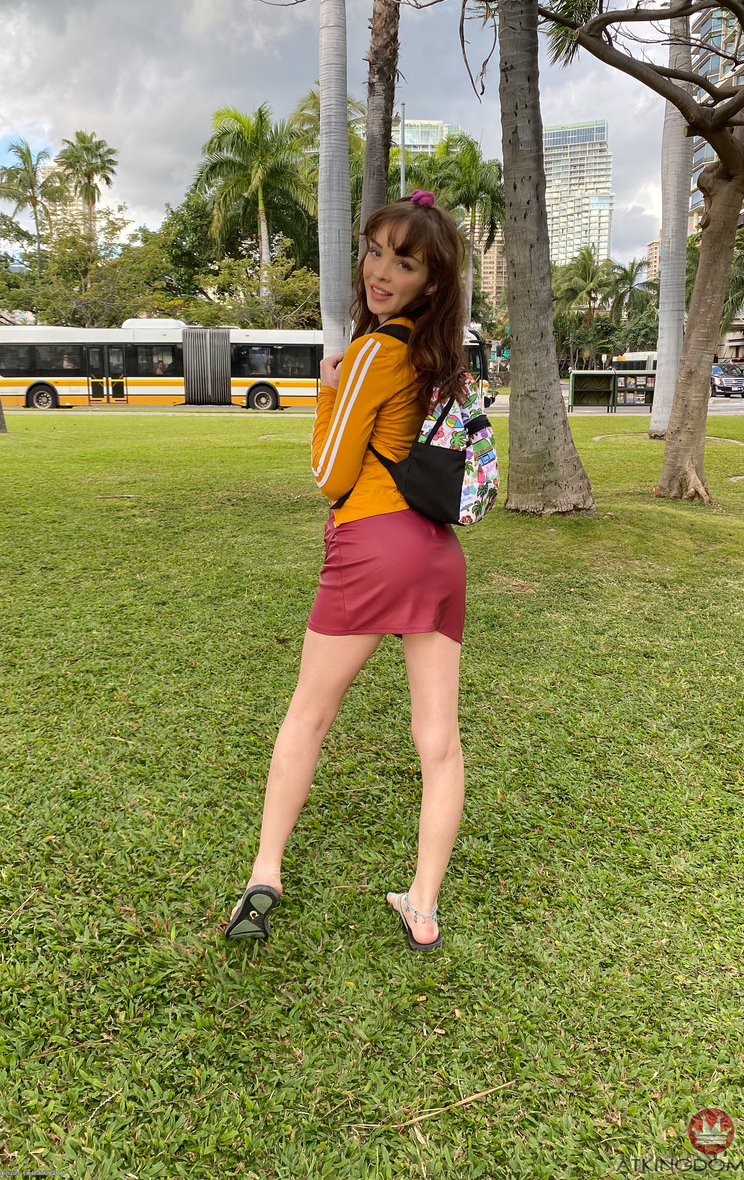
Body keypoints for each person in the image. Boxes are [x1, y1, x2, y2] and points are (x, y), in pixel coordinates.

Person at [226, 191, 468, 953]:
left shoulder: (373, 352)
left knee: (308, 714)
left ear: (430, 280)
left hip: (371, 544)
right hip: (436, 554)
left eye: (405, 263)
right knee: (438, 740)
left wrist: (329, 390)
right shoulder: (437, 356)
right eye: (374, 252)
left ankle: (266, 871)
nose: (380, 272)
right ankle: (422, 906)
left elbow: (331, 473)